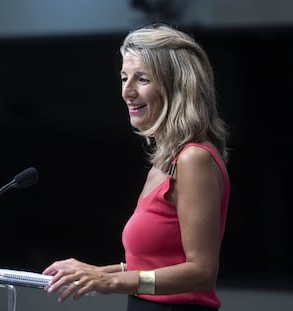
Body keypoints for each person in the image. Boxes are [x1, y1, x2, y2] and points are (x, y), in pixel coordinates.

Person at [42, 23, 230, 311]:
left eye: (141, 79)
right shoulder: (164, 162)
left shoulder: (194, 159)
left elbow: (201, 272)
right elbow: (155, 266)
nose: (127, 91)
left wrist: (112, 283)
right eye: (124, 78)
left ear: (176, 85)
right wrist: (94, 272)